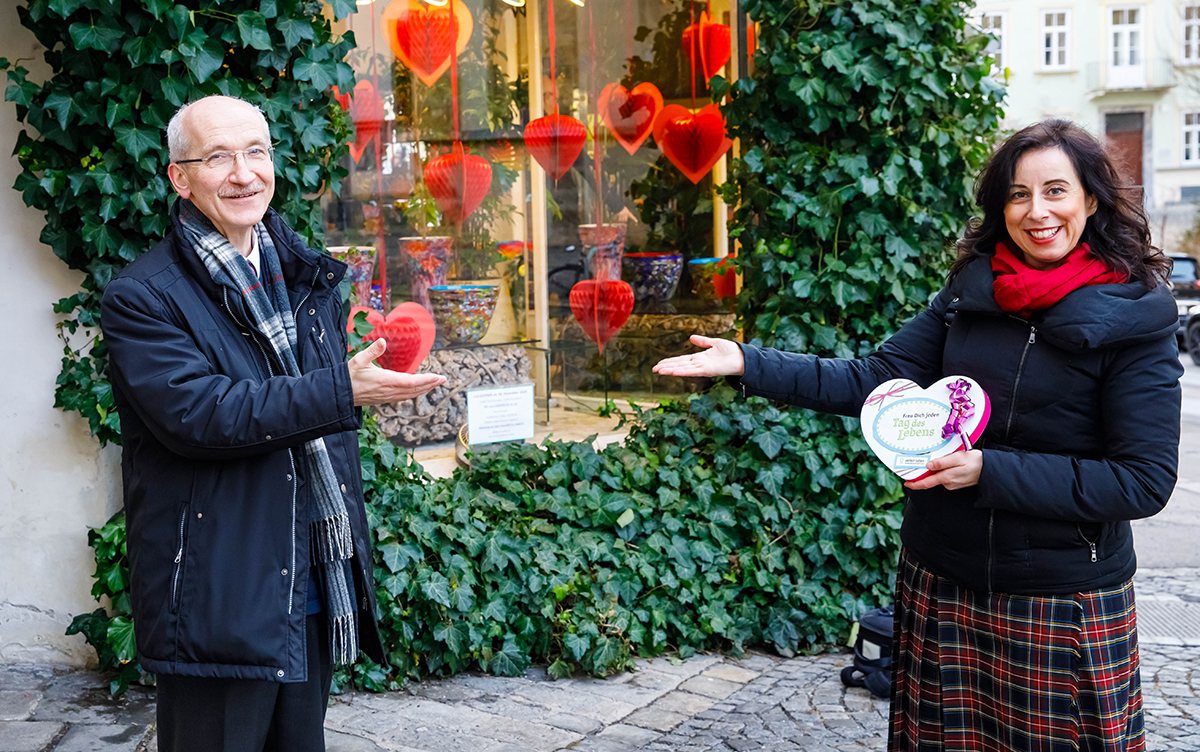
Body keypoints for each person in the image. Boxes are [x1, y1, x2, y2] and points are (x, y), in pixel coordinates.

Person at [654, 119, 1180, 751]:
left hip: (1057, 599)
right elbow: (875, 379)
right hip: (943, 577)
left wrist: (988, 470)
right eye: (1017, 194)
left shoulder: (1136, 317)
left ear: (1090, 200)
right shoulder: (970, 294)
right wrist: (748, 362)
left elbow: (1142, 481)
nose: (1036, 211)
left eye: (1055, 191)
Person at [99, 95, 445, 752]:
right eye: (218, 157)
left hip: (309, 572)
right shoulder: (142, 296)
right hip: (219, 592)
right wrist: (341, 387)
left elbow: (313, 427)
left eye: (256, 152)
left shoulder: (299, 272)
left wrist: (341, 389)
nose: (243, 173)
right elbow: (203, 416)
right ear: (180, 177)